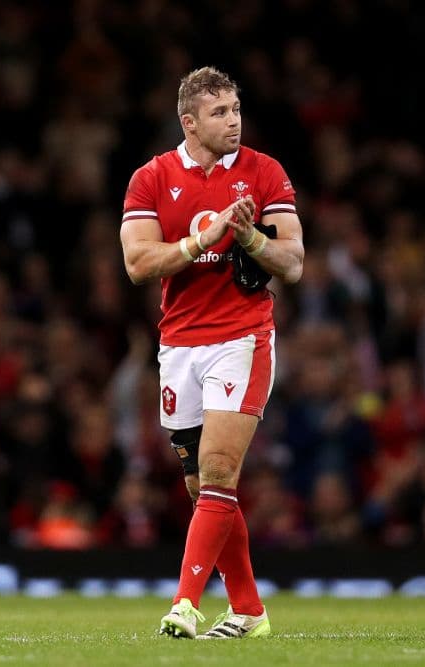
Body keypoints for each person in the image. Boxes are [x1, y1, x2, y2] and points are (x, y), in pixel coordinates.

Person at [119, 67, 303, 639]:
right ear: (189, 121)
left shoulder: (263, 171)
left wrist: (248, 237)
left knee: (221, 471)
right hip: (179, 344)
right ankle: (249, 610)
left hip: (242, 337)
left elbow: (293, 263)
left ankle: (184, 604)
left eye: (236, 110)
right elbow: (137, 264)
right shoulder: (151, 179)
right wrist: (206, 236)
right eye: (220, 113)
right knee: (203, 488)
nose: (233, 121)